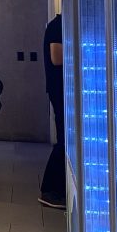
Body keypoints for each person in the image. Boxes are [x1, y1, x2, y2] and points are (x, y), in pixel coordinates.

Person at [40, 12, 66, 209]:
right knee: (65, 140)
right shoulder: (57, 25)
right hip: (60, 90)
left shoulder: (59, 24)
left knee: (66, 139)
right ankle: (50, 190)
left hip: (62, 90)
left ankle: (55, 189)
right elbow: (57, 57)